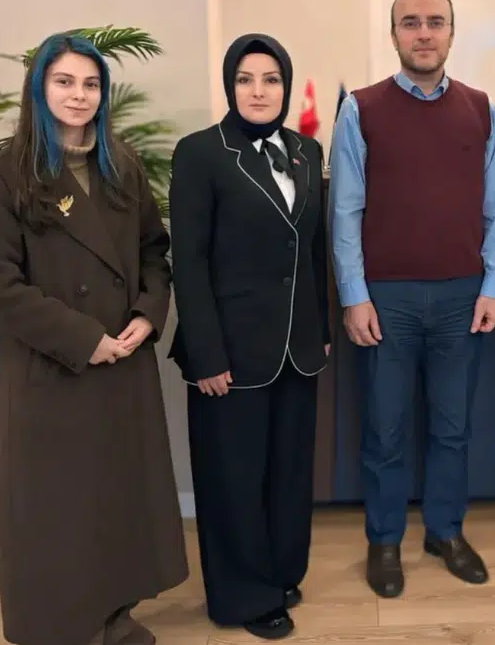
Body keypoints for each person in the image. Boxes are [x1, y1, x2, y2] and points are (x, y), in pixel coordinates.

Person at [0, 33, 188, 645]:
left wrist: (148, 312)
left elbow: (154, 251)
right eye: (64, 81)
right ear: (39, 88)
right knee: (59, 512)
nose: (79, 95)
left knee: (116, 501)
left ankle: (112, 617)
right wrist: (83, 338)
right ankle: (64, 628)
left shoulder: (122, 164)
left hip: (123, 363)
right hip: (55, 367)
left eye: (91, 84)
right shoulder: (6, 175)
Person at [328, 0, 495, 598]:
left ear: (452, 33)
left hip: (463, 296)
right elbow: (345, 210)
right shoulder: (360, 110)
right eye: (411, 22)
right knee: (384, 430)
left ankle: (445, 531)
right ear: (394, 35)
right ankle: (384, 541)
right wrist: (354, 294)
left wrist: (493, 286)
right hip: (387, 301)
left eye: (436, 21)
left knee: (452, 428)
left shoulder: (481, 109)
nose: (424, 33)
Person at [167, 33, 330, 640]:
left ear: (285, 86)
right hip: (229, 350)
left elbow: (312, 250)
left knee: (288, 472)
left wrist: (322, 329)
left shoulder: (306, 150)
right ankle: (243, 596)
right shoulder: (200, 153)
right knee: (232, 479)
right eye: (245, 79)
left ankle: (282, 572)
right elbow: (188, 262)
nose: (259, 91)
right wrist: (206, 353)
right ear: (230, 86)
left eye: (271, 79)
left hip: (297, 347)